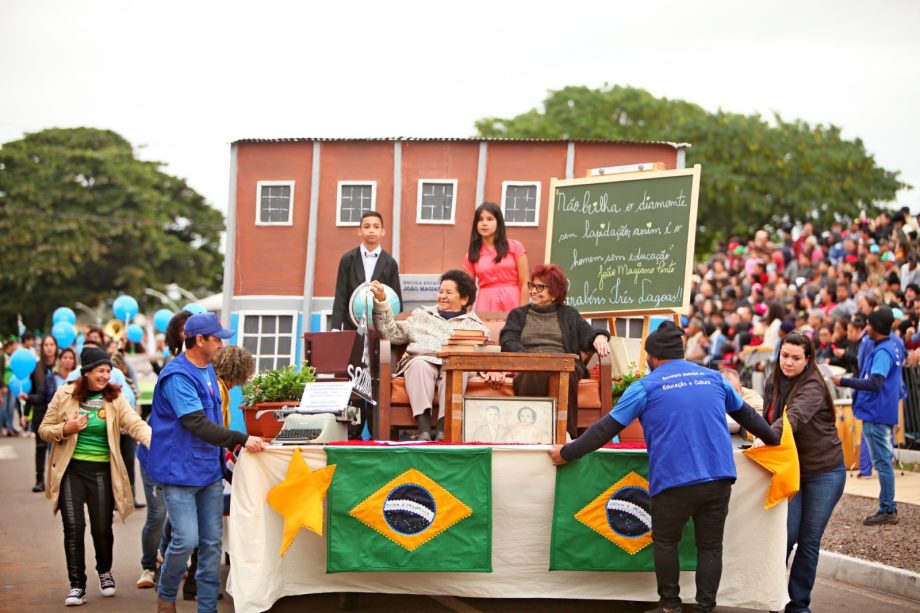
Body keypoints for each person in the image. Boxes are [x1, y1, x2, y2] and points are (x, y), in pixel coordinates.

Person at [549, 322, 780, 613]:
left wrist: (567, 452)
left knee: (666, 542)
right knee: (710, 546)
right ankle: (705, 608)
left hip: (674, 479)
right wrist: (774, 440)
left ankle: (670, 606)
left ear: (653, 357)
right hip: (719, 477)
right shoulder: (715, 378)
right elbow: (746, 414)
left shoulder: (645, 386)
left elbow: (605, 429)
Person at [148, 312, 266, 613]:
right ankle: (166, 593)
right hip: (179, 472)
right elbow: (196, 423)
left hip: (207, 471)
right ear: (199, 340)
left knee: (212, 544)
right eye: (217, 340)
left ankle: (206, 609)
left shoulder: (209, 371)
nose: (222, 345)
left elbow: (214, 418)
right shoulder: (178, 376)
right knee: (186, 540)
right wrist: (240, 438)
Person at [38, 345, 152, 607]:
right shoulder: (65, 394)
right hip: (71, 471)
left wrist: (155, 442)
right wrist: (66, 428)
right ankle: (77, 585)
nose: (105, 376)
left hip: (102, 472)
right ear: (86, 372)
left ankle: (104, 570)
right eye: (100, 370)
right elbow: (44, 428)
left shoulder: (115, 397)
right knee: (74, 529)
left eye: (108, 371)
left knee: (102, 529)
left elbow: (135, 424)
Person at [764, 333, 845, 612]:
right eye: (784, 356)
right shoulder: (773, 381)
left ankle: (798, 605)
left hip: (825, 472)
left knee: (809, 540)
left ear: (808, 359)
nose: (788, 362)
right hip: (791, 469)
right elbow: (768, 418)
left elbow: (791, 419)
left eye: (796, 358)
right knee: (785, 535)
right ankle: (773, 596)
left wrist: (765, 437)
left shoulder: (813, 386)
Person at [371, 269, 494, 441]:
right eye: (441, 291)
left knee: (458, 367)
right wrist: (382, 301)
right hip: (422, 358)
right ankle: (424, 430)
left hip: (456, 364)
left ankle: (444, 429)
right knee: (419, 364)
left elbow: (485, 355)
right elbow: (391, 333)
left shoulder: (477, 327)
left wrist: (494, 369)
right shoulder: (421, 316)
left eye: (449, 292)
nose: (442, 296)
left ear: (465, 299)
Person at [498, 263, 610, 438]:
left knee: (566, 371)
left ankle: (565, 435)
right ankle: (529, 434)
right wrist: (529, 358)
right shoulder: (518, 315)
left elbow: (587, 335)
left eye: (540, 287)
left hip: (564, 363)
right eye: (532, 286)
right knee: (533, 372)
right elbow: (508, 339)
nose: (533, 291)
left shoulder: (569, 314)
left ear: (555, 292)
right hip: (531, 362)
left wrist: (600, 336)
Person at [832, 308, 902, 525]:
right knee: (883, 461)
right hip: (880, 411)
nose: (866, 329)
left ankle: (888, 509)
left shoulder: (883, 351)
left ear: (877, 327)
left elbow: (875, 382)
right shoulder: (890, 345)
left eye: (869, 325)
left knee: (882, 462)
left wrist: (843, 381)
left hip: (877, 413)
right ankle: (887, 506)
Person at [332, 210, 402, 331]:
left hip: (381, 328)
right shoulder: (347, 259)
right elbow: (340, 295)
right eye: (366, 226)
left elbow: (396, 299)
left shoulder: (391, 263)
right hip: (352, 326)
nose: (371, 230)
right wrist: (335, 328)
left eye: (376, 227)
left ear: (382, 231)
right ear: (359, 231)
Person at [463, 202, 529, 312]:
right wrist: (464, 318)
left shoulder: (515, 247)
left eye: (489, 219)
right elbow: (469, 290)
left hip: (513, 302)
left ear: (498, 222)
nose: (484, 223)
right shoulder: (471, 254)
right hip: (485, 304)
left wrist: (523, 313)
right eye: (480, 219)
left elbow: (525, 283)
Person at [21, 334, 59, 492]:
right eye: (46, 345)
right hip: (40, 411)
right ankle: (39, 480)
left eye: (51, 344)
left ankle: (56, 480)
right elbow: (30, 392)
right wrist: (25, 414)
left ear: (56, 347)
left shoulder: (62, 364)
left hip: (59, 413)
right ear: (42, 348)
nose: (49, 348)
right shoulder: (36, 367)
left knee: (58, 449)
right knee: (40, 446)